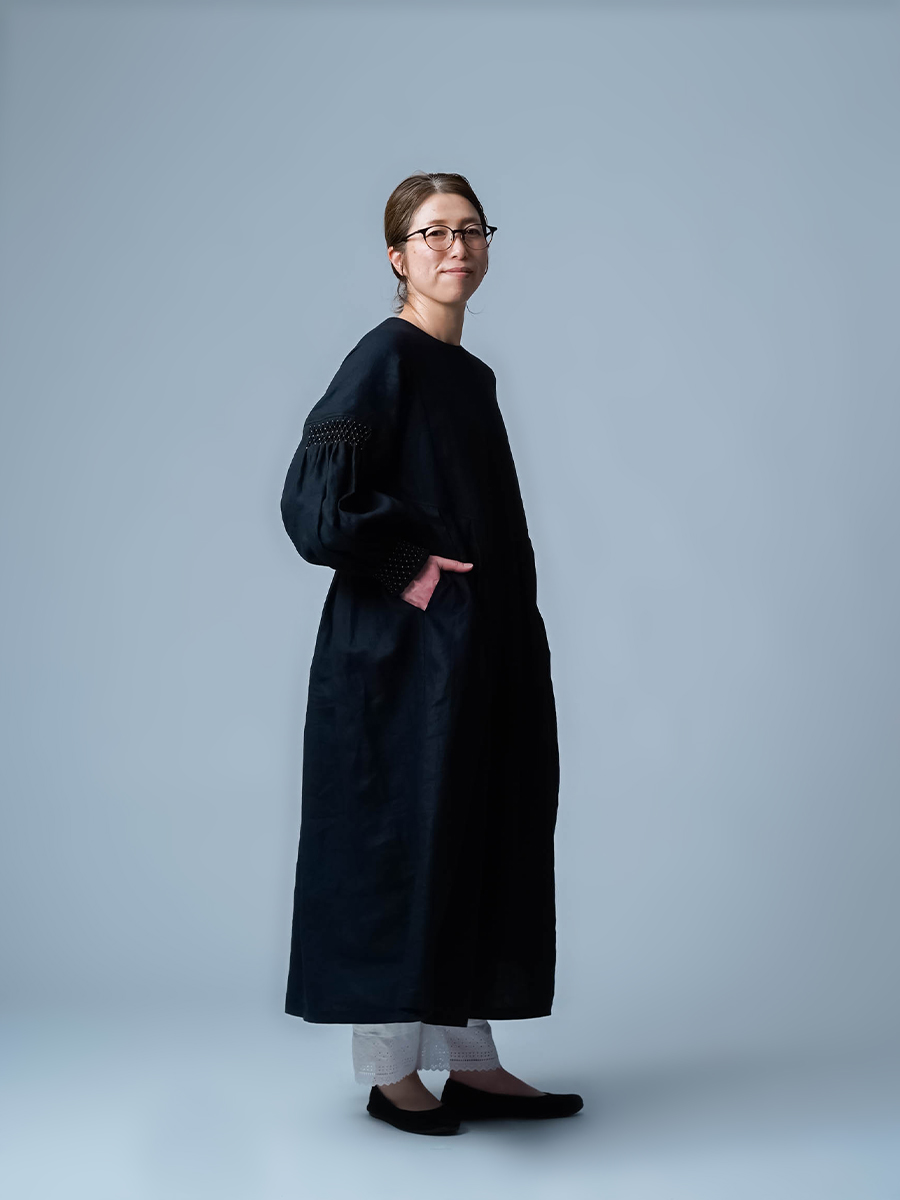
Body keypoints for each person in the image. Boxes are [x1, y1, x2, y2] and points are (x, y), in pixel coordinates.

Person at [280, 171, 582, 1135]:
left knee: (477, 836)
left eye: (472, 230)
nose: (457, 247)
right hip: (400, 660)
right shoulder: (386, 357)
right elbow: (311, 503)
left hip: (478, 654)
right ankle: (389, 1074)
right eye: (434, 232)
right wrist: (406, 564)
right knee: (401, 841)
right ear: (397, 256)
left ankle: (471, 1063)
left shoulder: (470, 375)